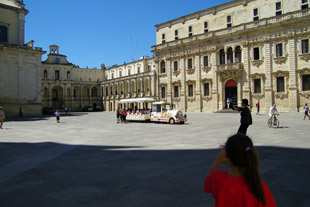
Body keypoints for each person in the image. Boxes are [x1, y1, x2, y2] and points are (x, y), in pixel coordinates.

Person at [204, 134, 277, 207]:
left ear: (227, 157)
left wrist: (218, 161)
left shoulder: (218, 178)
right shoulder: (258, 186)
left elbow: (207, 185)